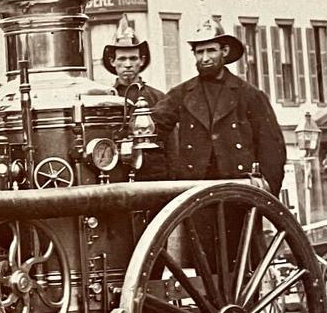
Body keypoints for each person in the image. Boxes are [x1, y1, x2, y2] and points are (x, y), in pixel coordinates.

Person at [154, 15, 286, 195]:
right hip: (194, 192)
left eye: (211, 51)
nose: (205, 58)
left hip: (239, 191)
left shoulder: (249, 95)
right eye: (200, 52)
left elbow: (271, 148)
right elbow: (153, 128)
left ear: (224, 51)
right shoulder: (181, 94)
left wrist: (265, 196)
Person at [100, 15, 168, 180]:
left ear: (142, 60)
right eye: (122, 59)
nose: (128, 64)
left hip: (152, 176)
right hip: (116, 174)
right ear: (112, 61)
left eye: (133, 58)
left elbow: (171, 146)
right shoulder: (105, 98)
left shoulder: (158, 98)